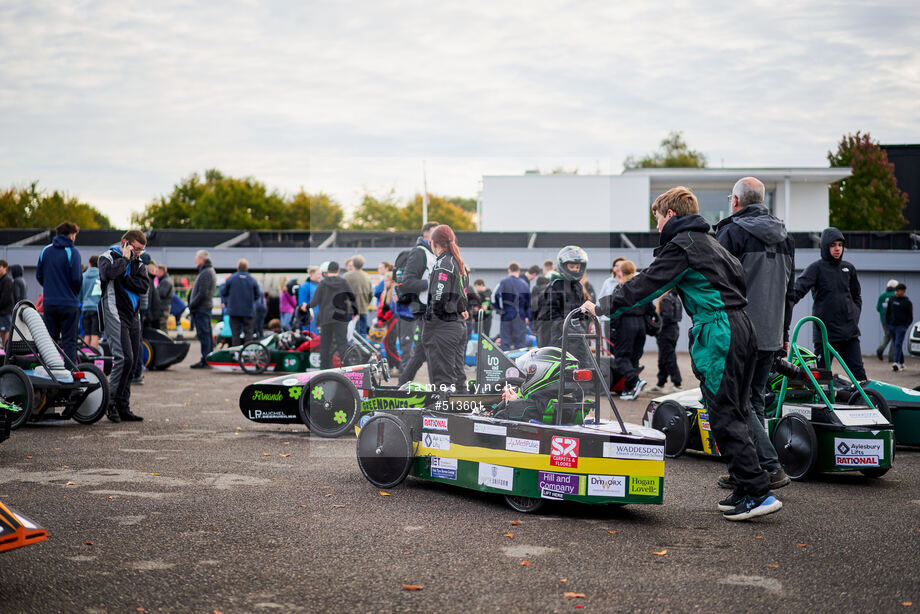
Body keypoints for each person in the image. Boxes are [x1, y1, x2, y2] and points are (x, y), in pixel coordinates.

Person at [584, 186, 781, 521]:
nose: (658, 226)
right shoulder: (712, 243)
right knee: (739, 406)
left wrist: (600, 306)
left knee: (723, 412)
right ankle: (748, 487)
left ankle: (758, 492)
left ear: (670, 215)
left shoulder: (683, 245)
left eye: (658, 219)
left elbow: (646, 285)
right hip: (743, 326)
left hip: (719, 330)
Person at [715, 176, 795, 491]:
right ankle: (745, 470)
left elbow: (716, 284)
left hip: (740, 333)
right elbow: (790, 290)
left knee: (737, 403)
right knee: (755, 401)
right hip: (772, 332)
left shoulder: (730, 233)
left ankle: (771, 467)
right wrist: (785, 332)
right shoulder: (786, 236)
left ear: (736, 201)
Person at [793, 228, 867, 381]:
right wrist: (781, 308)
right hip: (825, 335)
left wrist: (854, 316)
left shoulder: (849, 268)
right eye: (833, 245)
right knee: (821, 378)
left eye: (840, 245)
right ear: (825, 246)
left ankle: (866, 402)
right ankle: (822, 404)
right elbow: (796, 292)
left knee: (860, 377)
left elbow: (856, 296)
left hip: (849, 334)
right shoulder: (816, 268)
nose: (837, 248)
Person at [98, 230, 150, 422]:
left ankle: (123, 406)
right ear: (125, 243)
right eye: (136, 249)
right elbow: (109, 274)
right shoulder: (108, 257)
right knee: (124, 358)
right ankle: (110, 403)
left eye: (141, 250)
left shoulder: (139, 263)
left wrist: (126, 279)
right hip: (114, 312)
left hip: (133, 316)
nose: (138, 253)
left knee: (133, 360)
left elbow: (144, 286)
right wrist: (125, 260)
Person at [421, 225, 469, 392]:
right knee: (458, 376)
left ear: (434, 243)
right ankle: (464, 414)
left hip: (444, 328)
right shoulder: (459, 263)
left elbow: (438, 300)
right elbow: (463, 299)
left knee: (443, 380)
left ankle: (443, 415)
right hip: (458, 325)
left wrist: (427, 325)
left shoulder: (443, 264)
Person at [396, 222, 439, 386]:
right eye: (436, 233)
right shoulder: (419, 252)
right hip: (422, 308)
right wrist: (430, 283)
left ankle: (402, 383)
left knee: (421, 351)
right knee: (430, 349)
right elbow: (407, 282)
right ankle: (437, 389)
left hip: (430, 308)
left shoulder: (431, 253)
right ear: (427, 235)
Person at [495, 347, 583, 424]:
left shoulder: (520, 410)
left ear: (540, 373)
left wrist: (511, 405)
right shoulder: (574, 410)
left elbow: (497, 420)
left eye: (529, 372)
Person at [36, 221, 83, 363]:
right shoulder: (72, 252)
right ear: (70, 235)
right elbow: (76, 279)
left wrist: (51, 289)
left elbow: (39, 275)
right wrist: (72, 293)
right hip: (68, 303)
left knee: (50, 341)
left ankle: (49, 372)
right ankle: (69, 374)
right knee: (69, 341)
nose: (75, 238)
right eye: (75, 235)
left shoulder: (46, 251)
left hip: (50, 303)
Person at [607, 260, 651, 401]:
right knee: (634, 358)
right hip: (641, 325)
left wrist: (612, 331)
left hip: (626, 324)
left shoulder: (621, 288)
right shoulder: (642, 287)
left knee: (621, 357)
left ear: (620, 271)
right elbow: (650, 307)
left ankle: (634, 380)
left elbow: (615, 310)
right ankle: (628, 389)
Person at [306, 261, 357, 369]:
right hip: (340, 317)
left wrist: (306, 306)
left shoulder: (322, 284)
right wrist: (355, 312)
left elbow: (315, 301)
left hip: (326, 318)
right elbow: (352, 298)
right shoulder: (343, 282)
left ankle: (324, 370)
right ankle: (347, 369)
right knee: (342, 344)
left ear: (327, 271)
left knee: (325, 345)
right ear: (338, 270)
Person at [545, 246, 590, 365]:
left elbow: (580, 310)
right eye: (572, 266)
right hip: (561, 333)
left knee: (584, 362)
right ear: (563, 266)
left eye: (577, 267)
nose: (575, 269)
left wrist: (586, 321)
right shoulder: (556, 284)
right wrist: (564, 325)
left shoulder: (578, 286)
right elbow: (551, 311)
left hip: (579, 332)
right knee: (566, 365)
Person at [220, 259, 260, 347]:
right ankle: (247, 354)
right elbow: (258, 295)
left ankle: (236, 353)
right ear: (247, 268)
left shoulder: (231, 278)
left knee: (235, 335)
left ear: (238, 268)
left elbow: (223, 292)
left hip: (234, 311)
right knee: (248, 335)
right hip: (248, 312)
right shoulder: (252, 279)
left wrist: (229, 301)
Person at [649, 290, 682, 393]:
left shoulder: (665, 299)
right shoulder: (675, 298)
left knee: (669, 357)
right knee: (664, 357)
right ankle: (660, 383)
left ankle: (677, 383)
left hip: (666, 332)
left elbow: (667, 317)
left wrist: (657, 325)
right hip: (674, 330)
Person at [189, 250, 217, 369]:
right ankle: (207, 359)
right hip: (203, 307)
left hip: (202, 308)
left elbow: (203, 293)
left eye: (196, 258)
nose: (195, 260)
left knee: (204, 334)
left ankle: (206, 360)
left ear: (202, 259)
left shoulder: (206, 272)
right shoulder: (207, 271)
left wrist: (192, 304)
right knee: (206, 334)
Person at [494, 262, 530, 350]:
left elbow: (495, 295)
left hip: (507, 313)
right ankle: (519, 362)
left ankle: (505, 362)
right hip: (520, 314)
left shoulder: (503, 282)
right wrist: (527, 315)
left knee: (505, 340)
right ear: (519, 271)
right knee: (520, 341)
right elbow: (528, 302)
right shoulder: (525, 284)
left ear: (509, 270)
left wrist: (499, 310)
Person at [344, 254, 373, 338]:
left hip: (349, 310)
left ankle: (350, 351)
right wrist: (365, 304)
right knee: (362, 333)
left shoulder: (346, 276)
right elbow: (371, 294)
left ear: (353, 264)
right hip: (363, 309)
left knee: (349, 334)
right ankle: (362, 350)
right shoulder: (367, 277)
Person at [886, 283, 912, 371]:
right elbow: (888, 312)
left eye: (902, 291)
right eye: (898, 291)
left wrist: (905, 326)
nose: (900, 292)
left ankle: (896, 362)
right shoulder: (892, 300)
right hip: (892, 326)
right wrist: (888, 324)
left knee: (897, 343)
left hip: (901, 327)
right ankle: (902, 363)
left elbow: (910, 316)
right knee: (897, 344)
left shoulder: (907, 302)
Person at [78, 254, 103, 349]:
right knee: (95, 334)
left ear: (90, 264)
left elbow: (79, 294)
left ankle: (85, 357)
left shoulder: (83, 276)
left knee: (87, 334)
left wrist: (83, 302)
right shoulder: (100, 276)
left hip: (85, 308)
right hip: (96, 309)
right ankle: (93, 358)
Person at [876, 279, 899, 361]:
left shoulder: (882, 296)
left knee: (887, 335)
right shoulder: (896, 295)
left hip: (884, 320)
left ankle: (880, 349)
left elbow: (878, 308)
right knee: (894, 337)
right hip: (894, 320)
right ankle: (891, 357)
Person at [297, 266, 321, 334]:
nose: (320, 276)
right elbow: (302, 304)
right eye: (318, 274)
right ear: (312, 274)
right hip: (310, 319)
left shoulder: (319, 285)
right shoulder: (305, 286)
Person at [529, 276, 551, 346]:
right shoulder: (550, 290)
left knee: (541, 344)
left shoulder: (535, 291)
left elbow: (533, 307)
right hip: (552, 321)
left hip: (540, 321)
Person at [156, 264, 174, 330]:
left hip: (163, 308)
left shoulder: (165, 281)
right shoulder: (165, 280)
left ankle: (164, 341)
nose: (156, 273)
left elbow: (162, 293)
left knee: (162, 327)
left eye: (157, 271)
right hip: (164, 308)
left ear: (162, 271)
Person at [0, 260, 13, 345]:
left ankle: (5, 352)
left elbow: (5, 297)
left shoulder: (7, 280)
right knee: (2, 331)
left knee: (6, 331)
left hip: (6, 311)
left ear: (5, 268)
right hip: (2, 311)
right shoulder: (1, 280)